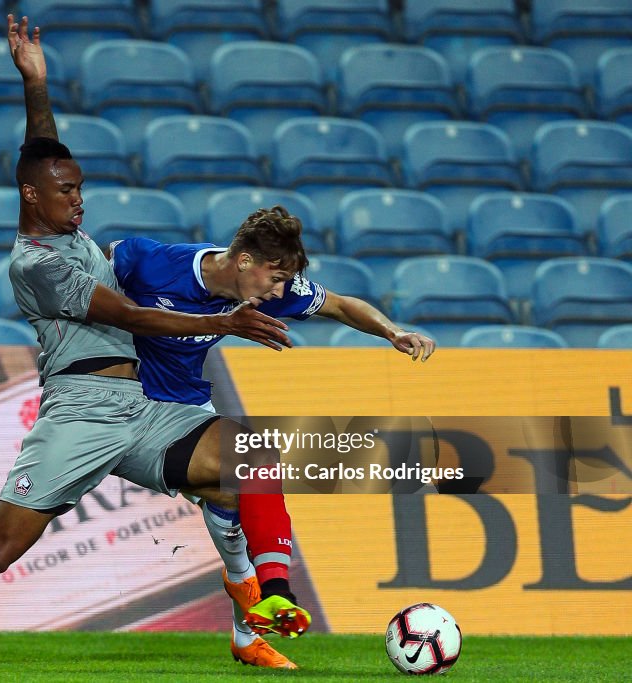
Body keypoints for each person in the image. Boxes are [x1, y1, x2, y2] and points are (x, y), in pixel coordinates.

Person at [0, 15, 310, 663]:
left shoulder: (72, 237)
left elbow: (41, 152)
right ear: (32, 198)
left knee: (251, 457)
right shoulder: (37, 265)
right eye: (66, 192)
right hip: (77, 415)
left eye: (81, 189)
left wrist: (36, 85)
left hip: (140, 409)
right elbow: (128, 316)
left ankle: (272, 594)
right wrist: (221, 321)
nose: (79, 200)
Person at [107, 210, 436, 668]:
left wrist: (393, 332)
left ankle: (250, 627)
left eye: (286, 281)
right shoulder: (148, 261)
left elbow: (340, 305)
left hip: (185, 412)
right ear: (243, 261)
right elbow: (81, 279)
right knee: (15, 540)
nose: (280, 291)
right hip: (110, 408)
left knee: (239, 496)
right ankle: (252, 593)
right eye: (276, 277)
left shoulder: (264, 290)